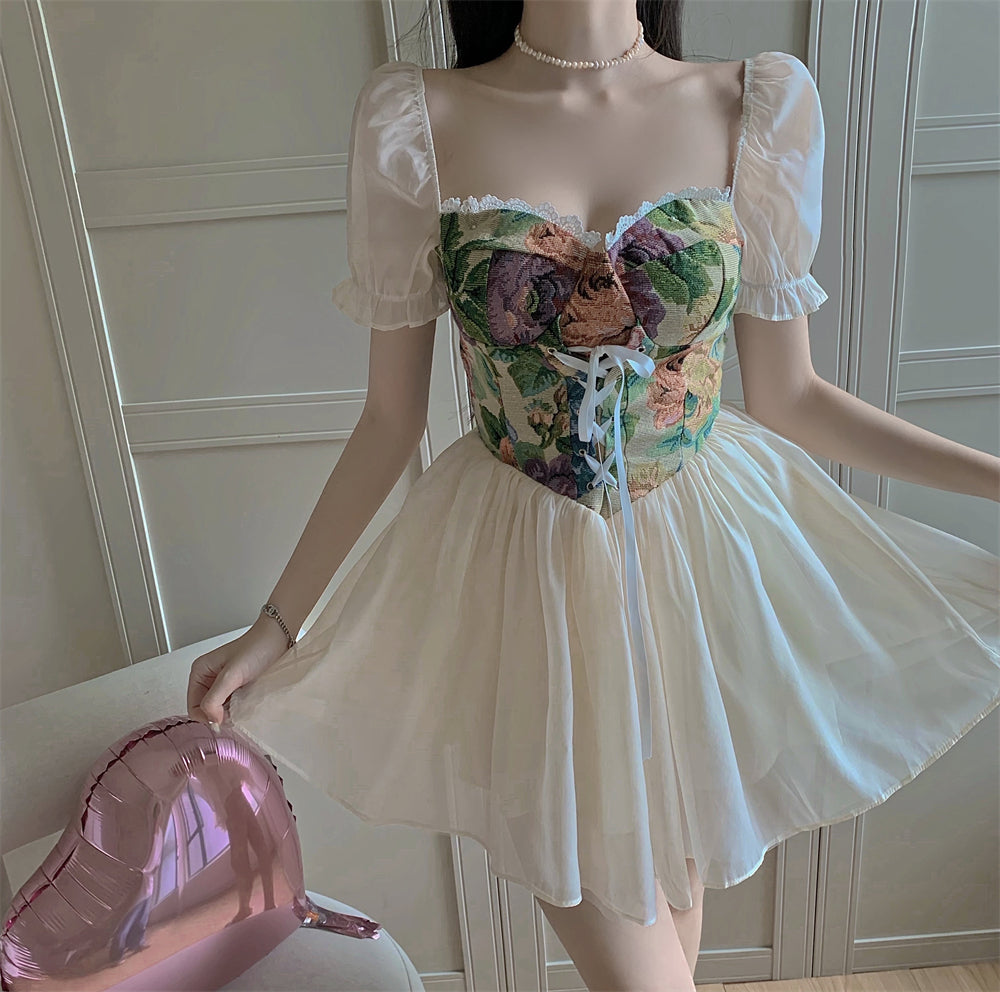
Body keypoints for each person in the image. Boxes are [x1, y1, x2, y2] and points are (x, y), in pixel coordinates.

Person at [187, 2, 1000, 989]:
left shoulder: (752, 106)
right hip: (527, 593)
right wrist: (278, 625)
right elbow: (388, 421)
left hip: (696, 580)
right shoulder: (419, 120)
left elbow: (794, 396)